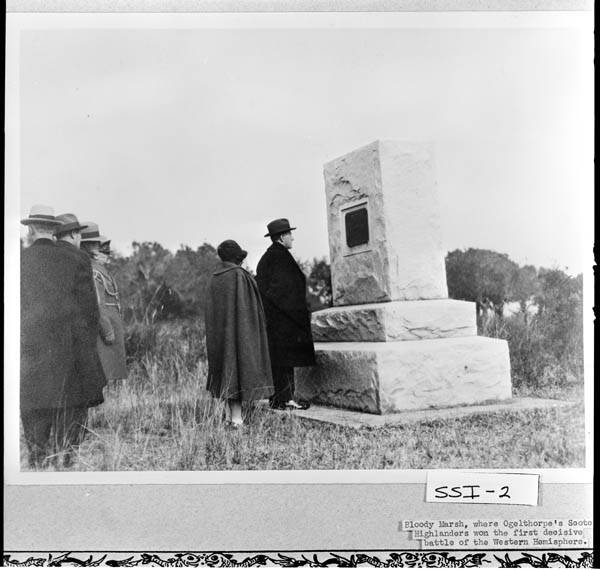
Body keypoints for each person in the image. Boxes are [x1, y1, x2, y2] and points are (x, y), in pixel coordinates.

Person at [19, 206, 102, 468]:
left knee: (34, 413)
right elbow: (91, 313)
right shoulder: (77, 260)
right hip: (69, 354)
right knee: (69, 421)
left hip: (30, 353)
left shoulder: (20, 259)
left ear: (31, 229)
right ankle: (65, 463)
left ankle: (36, 460)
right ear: (55, 231)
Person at [205, 239, 273, 427]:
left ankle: (229, 416)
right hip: (238, 335)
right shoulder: (239, 276)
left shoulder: (214, 277)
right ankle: (236, 419)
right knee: (236, 369)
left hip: (219, 337)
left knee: (226, 370)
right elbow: (249, 310)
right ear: (237, 258)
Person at [256, 218, 315, 410]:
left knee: (279, 361)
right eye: (290, 234)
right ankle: (287, 399)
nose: (293, 238)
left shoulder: (268, 257)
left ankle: (279, 399)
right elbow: (282, 290)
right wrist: (296, 314)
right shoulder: (279, 257)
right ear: (282, 237)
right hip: (285, 320)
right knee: (285, 361)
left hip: (276, 320)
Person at [80, 223, 127, 384]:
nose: (98, 246)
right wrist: (107, 331)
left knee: (108, 376)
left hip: (109, 328)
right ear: (86, 246)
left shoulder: (98, 268)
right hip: (103, 332)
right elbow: (97, 304)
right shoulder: (93, 271)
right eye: (94, 243)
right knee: (103, 376)